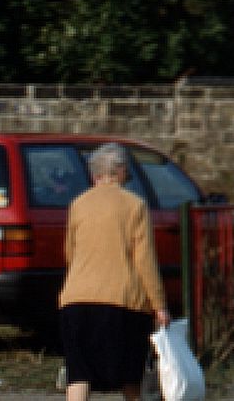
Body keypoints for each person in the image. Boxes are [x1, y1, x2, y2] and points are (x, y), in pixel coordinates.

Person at [58, 144, 168, 401]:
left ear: (94, 174)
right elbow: (144, 260)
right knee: (130, 378)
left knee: (78, 375)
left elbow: (70, 253)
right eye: (126, 169)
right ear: (120, 171)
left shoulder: (78, 204)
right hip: (123, 303)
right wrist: (159, 305)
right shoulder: (135, 205)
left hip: (76, 301)